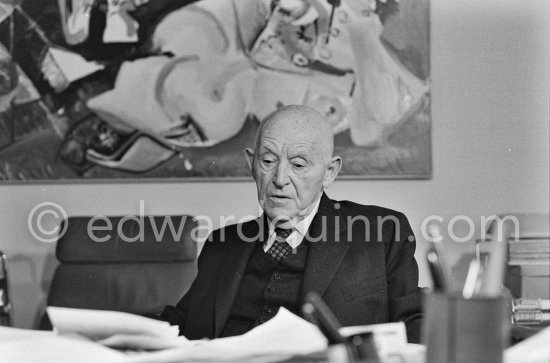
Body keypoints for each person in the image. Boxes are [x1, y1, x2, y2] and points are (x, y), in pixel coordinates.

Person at [160, 105, 423, 343]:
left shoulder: (381, 232)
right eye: (268, 161)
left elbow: (414, 325)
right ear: (251, 164)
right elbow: (180, 322)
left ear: (329, 172)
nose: (280, 179)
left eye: (298, 164)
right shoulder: (222, 244)